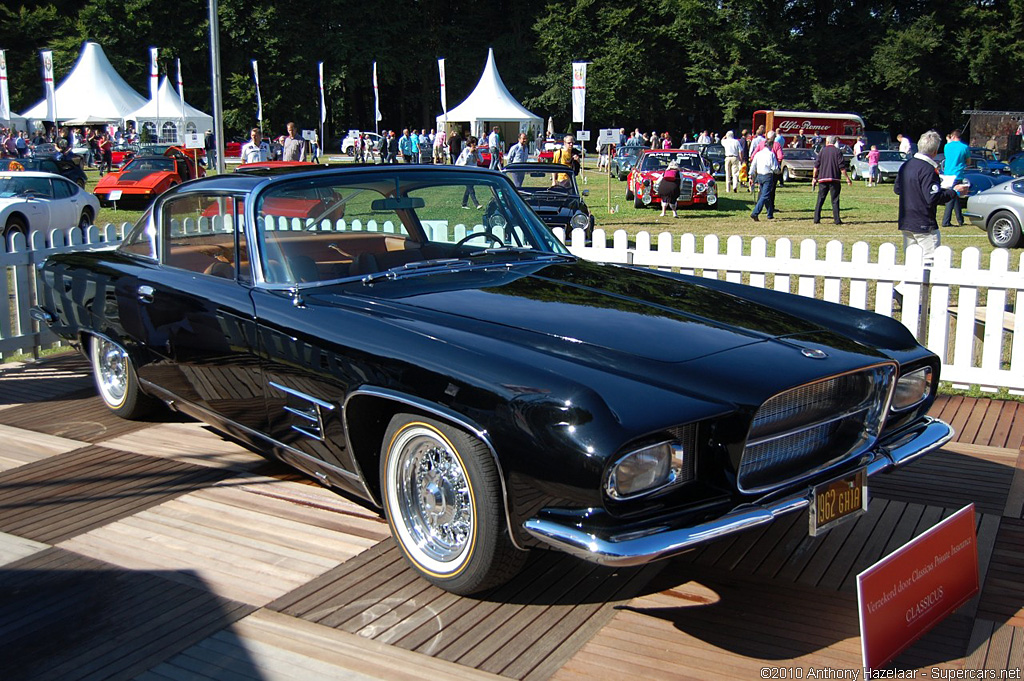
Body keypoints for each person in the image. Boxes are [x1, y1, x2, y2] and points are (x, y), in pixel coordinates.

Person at [894, 130, 968, 267]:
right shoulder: (928, 169)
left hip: (906, 219)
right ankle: (910, 289)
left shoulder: (906, 165)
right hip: (923, 222)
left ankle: (906, 288)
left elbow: (897, 189)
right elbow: (932, 198)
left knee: (911, 262)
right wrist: (954, 192)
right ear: (935, 151)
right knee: (929, 262)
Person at [811, 135, 853, 224]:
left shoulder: (822, 151)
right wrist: (847, 178)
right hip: (834, 179)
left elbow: (816, 166)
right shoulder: (838, 152)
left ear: (827, 142)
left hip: (823, 178)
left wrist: (814, 178)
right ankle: (837, 219)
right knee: (835, 200)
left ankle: (816, 218)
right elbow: (842, 167)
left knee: (820, 199)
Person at [941, 129, 970, 228]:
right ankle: (946, 221)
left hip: (947, 174)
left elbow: (947, 155)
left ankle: (960, 219)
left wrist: (948, 140)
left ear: (952, 136)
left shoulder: (947, 146)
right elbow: (968, 161)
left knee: (954, 195)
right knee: (952, 197)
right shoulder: (964, 147)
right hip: (957, 174)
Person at [749, 137, 778, 221]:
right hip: (768, 175)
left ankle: (770, 214)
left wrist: (751, 175)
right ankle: (755, 213)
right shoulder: (771, 154)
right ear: (771, 145)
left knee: (766, 195)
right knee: (764, 196)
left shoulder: (758, 154)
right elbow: (774, 167)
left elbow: (753, 165)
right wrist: (778, 171)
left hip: (759, 176)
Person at [454, 136, 483, 208]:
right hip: (465, 170)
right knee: (470, 188)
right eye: (473, 143)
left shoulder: (476, 150)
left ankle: (464, 203)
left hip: (473, 171)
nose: (474, 144)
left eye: (475, 143)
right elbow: (465, 162)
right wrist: (470, 153)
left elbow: (482, 160)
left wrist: (477, 153)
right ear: (469, 143)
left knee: (469, 187)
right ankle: (477, 204)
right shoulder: (466, 150)